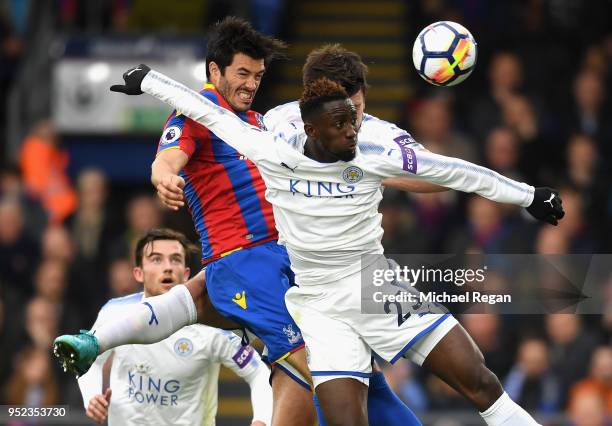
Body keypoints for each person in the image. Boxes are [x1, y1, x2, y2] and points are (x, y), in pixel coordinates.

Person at [96, 63, 564, 426]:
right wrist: (149, 81)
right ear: (313, 130)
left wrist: (530, 196)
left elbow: (457, 171)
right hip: (318, 307)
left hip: (374, 284)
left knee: (480, 382)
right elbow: (208, 112)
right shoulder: (273, 152)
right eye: (341, 125)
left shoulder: (371, 157)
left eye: (354, 122)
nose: (352, 132)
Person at [57, 19, 423, 426]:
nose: (251, 84)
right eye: (242, 74)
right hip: (243, 261)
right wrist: (163, 177)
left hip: (286, 257)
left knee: (290, 363)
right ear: (215, 71)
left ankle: (93, 340)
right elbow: (167, 158)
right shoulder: (199, 113)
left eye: (259, 76)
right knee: (343, 376)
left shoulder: (257, 124)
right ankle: (93, 340)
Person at [76, 228, 272, 426]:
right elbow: (90, 360)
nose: (167, 267)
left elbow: (258, 373)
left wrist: (261, 421)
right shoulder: (115, 312)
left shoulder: (213, 326)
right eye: (156, 259)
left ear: (187, 274)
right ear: (138, 273)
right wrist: (91, 397)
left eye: (176, 259)